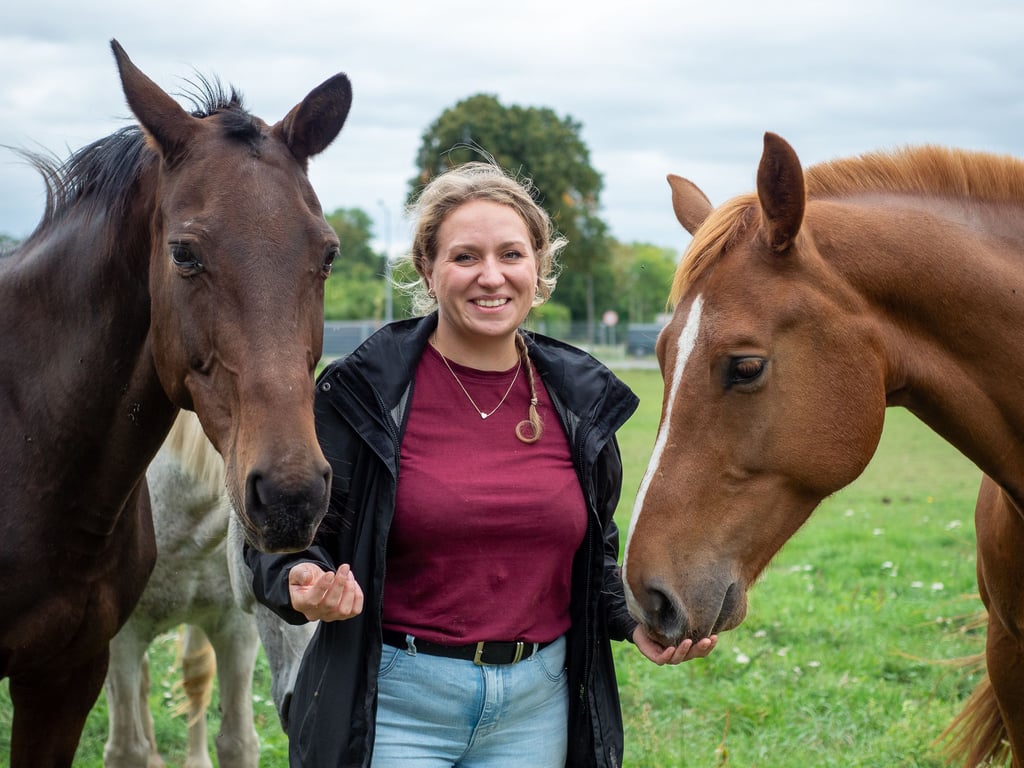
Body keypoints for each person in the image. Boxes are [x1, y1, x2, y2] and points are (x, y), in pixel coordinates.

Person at [246, 160, 717, 768]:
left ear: (538, 267)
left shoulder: (580, 400)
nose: (491, 277)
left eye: (511, 255)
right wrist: (300, 582)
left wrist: (633, 621)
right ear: (428, 268)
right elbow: (283, 538)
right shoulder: (363, 393)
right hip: (397, 704)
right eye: (465, 256)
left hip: (535, 707)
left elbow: (591, 558)